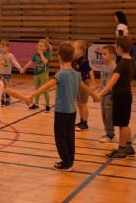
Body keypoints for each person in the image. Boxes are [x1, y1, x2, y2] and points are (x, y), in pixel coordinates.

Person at [29, 42, 98, 171]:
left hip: (61, 111)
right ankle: (70, 160)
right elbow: (84, 87)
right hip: (72, 111)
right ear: (73, 57)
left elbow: (47, 86)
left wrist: (33, 93)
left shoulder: (61, 74)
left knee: (60, 137)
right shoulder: (77, 74)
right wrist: (94, 95)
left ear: (59, 56)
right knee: (70, 136)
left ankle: (65, 163)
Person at [96, 36, 136, 159]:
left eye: (116, 46)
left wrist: (100, 93)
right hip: (127, 94)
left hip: (120, 96)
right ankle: (129, 147)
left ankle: (121, 150)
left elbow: (112, 82)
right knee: (125, 123)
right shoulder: (131, 61)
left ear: (119, 48)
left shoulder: (122, 64)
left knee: (122, 125)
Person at [21, 39, 53, 111]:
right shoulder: (36, 54)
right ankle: (36, 104)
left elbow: (45, 62)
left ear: (46, 48)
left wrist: (41, 54)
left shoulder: (48, 54)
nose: (39, 47)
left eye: (41, 46)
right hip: (36, 73)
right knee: (37, 89)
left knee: (44, 89)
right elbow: (31, 61)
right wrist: (24, 68)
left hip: (44, 73)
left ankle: (47, 105)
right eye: (38, 45)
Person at [114, 11, 136, 86]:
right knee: (128, 62)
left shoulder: (120, 26)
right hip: (126, 45)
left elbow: (121, 37)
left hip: (123, 47)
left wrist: (119, 47)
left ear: (118, 17)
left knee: (121, 63)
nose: (114, 18)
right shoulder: (124, 25)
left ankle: (118, 79)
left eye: (115, 17)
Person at [71, 40, 95, 131]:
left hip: (84, 83)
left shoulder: (83, 61)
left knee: (83, 104)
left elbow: (90, 71)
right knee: (79, 103)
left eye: (75, 48)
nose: (73, 50)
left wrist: (93, 84)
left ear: (81, 50)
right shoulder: (75, 60)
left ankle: (85, 123)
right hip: (77, 84)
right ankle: (81, 121)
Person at [99, 45, 116, 143]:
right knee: (103, 114)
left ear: (112, 55)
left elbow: (110, 85)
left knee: (109, 115)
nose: (102, 56)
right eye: (102, 54)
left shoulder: (113, 67)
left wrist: (101, 93)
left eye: (105, 54)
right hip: (104, 94)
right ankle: (107, 131)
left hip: (109, 95)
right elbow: (103, 82)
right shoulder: (104, 66)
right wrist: (99, 91)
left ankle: (111, 134)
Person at [0, 40, 22, 106]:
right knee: (1, 88)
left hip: (7, 74)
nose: (1, 49)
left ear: (7, 47)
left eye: (3, 47)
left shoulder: (10, 55)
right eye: (0, 47)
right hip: (0, 74)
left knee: (7, 88)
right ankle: (2, 100)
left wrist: (20, 68)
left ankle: (7, 100)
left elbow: (15, 62)